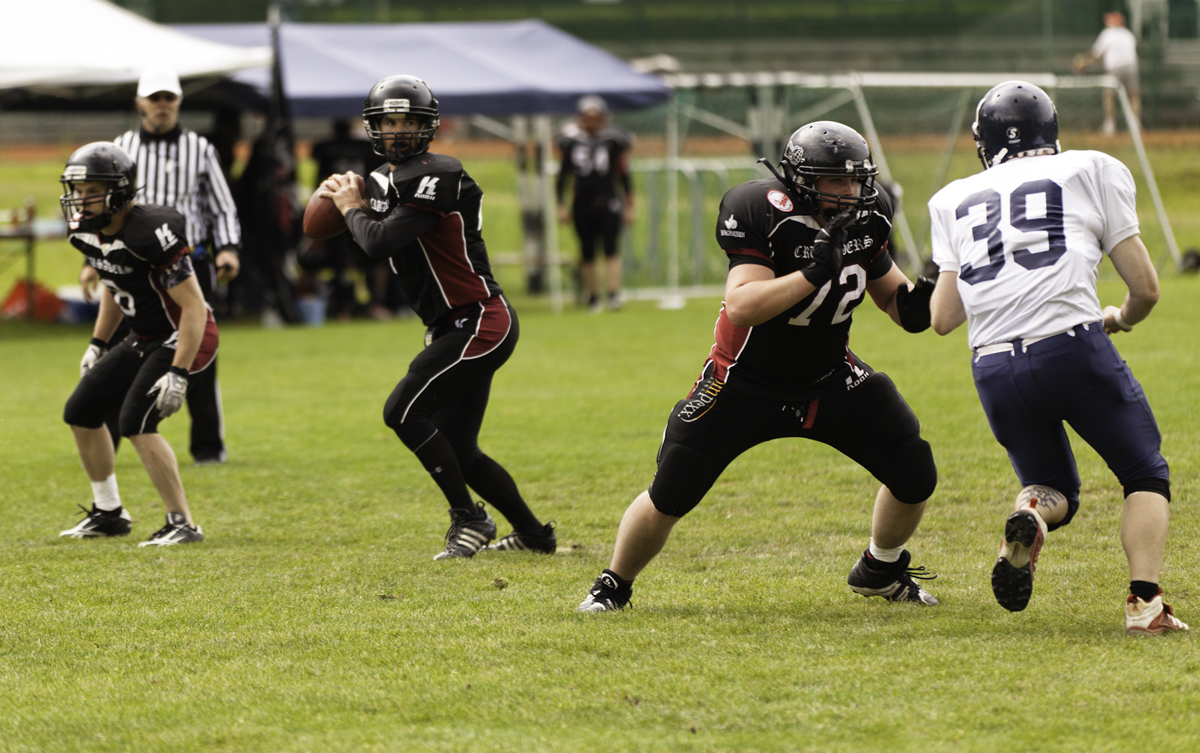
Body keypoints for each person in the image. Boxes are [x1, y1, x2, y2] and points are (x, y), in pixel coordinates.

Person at [578, 121, 940, 612]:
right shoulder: (759, 210)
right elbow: (743, 305)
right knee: (671, 491)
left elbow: (900, 308)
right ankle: (613, 584)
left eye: (856, 180)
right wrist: (814, 270)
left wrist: (931, 292)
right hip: (743, 380)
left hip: (829, 377)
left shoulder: (868, 215)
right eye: (836, 181)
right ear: (801, 180)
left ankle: (880, 569)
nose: (850, 192)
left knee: (913, 467)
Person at [928, 81, 1186, 636]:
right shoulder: (1090, 167)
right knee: (1143, 471)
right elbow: (1146, 287)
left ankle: (1030, 515)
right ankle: (1145, 604)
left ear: (984, 142)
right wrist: (1121, 318)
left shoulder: (951, 199)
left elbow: (943, 318)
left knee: (1054, 489)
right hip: (1071, 347)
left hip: (993, 366)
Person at [318, 75, 555, 559]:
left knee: (402, 411)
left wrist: (350, 208)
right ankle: (534, 534)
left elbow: (381, 239)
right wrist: (343, 215)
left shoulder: (440, 171)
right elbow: (370, 248)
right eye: (389, 122)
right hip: (451, 325)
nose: (398, 131)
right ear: (373, 127)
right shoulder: (384, 179)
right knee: (459, 448)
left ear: (428, 127)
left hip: (480, 320)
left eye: (408, 122)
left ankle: (469, 517)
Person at [81, 67, 241, 465]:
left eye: (169, 98)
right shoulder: (119, 146)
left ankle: (207, 447)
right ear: (140, 104)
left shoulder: (199, 148)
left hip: (187, 260)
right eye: (155, 98)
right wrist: (92, 260)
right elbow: (97, 207)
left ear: (180, 103)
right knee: (122, 348)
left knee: (198, 350)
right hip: (129, 260)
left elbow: (221, 206)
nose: (163, 105)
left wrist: (229, 249)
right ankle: (112, 440)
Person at [58, 142, 215, 545]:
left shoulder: (150, 232)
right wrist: (97, 342)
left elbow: (194, 308)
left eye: (92, 190)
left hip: (185, 334)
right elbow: (114, 285)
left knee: (137, 422)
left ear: (120, 190)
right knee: (81, 410)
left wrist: (179, 373)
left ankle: (183, 522)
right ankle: (109, 512)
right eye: (78, 190)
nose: (81, 199)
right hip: (144, 336)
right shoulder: (86, 232)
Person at [307, 119, 395, 321]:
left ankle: (363, 304)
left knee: (366, 257)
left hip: (355, 207)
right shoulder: (363, 147)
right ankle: (351, 304)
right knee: (346, 260)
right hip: (342, 208)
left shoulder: (334, 148)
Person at [555, 95, 635, 312]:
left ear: (603, 118)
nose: (591, 121)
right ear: (580, 118)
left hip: (608, 201)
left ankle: (613, 295)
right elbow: (563, 176)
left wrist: (630, 205)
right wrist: (561, 205)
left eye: (595, 117)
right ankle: (592, 297)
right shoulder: (571, 141)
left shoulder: (613, 141)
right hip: (582, 202)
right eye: (587, 117)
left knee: (611, 248)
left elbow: (624, 175)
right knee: (587, 251)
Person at [1074, 11, 1140, 135]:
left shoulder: (1107, 34)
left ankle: (1110, 125)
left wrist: (1083, 62)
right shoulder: (1128, 34)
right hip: (1131, 67)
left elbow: (1096, 54)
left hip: (1115, 68)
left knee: (1109, 95)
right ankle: (1135, 124)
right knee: (1133, 95)